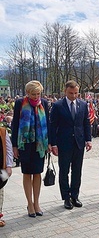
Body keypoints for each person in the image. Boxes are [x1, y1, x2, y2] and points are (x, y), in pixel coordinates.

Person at [50, 80, 92, 210]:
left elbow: (86, 123)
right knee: (64, 171)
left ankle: (75, 196)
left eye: (76, 93)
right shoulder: (57, 106)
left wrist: (88, 140)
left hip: (79, 143)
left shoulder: (83, 104)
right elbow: (52, 126)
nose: (73, 96)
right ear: (65, 91)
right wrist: (53, 143)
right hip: (64, 143)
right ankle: (66, 197)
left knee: (77, 171)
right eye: (71, 93)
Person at [11, 80, 50, 218]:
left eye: (38, 93)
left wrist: (49, 143)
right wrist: (14, 146)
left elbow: (47, 125)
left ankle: (37, 203)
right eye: (33, 94)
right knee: (27, 173)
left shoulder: (44, 103)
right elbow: (15, 124)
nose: (36, 96)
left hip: (39, 144)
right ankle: (30, 203)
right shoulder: (20, 103)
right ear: (27, 93)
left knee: (38, 173)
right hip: (25, 143)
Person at [0, 126, 14, 227]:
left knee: (0, 194)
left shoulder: (3, 131)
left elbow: (9, 150)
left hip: (1, 170)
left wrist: (9, 166)